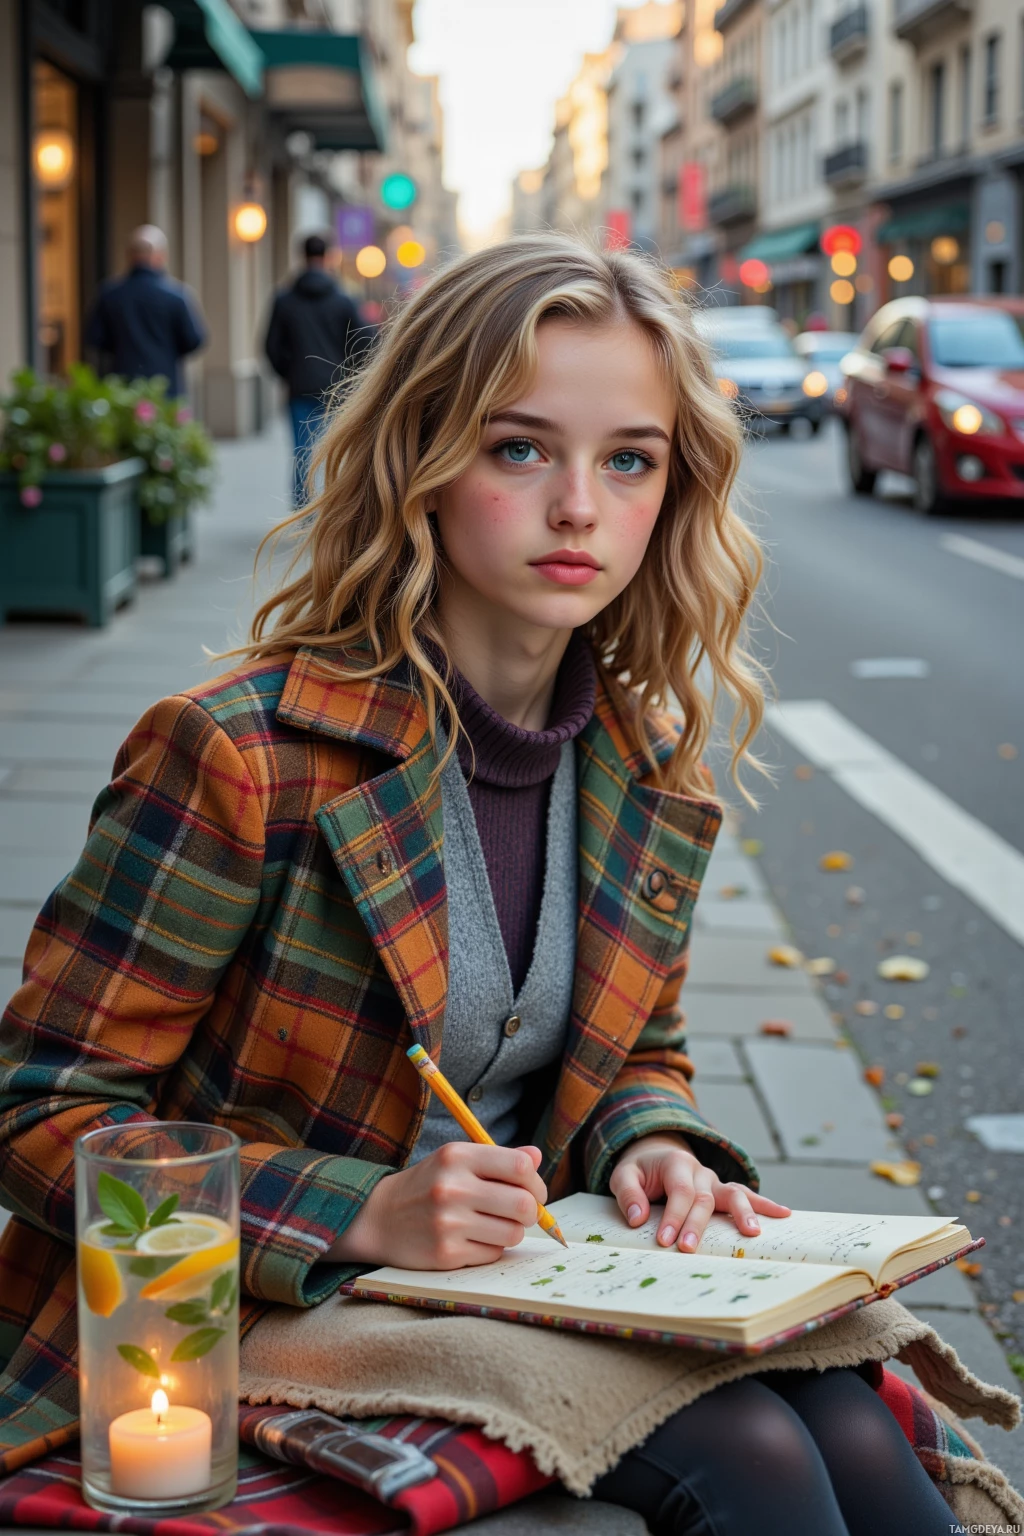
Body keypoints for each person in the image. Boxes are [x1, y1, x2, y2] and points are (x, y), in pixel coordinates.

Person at [0, 236, 968, 1533]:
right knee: (762, 1457)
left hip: (532, 1284)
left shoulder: (642, 764)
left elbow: (640, 1053)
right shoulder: (241, 755)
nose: (580, 506)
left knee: (852, 1417)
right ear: (425, 462)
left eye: (628, 458)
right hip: (252, 1309)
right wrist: (364, 1212)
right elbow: (46, 1115)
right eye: (520, 448)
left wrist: (657, 1145)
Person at [264, 232, 366, 506]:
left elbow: (270, 346)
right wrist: (350, 374)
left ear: (302, 256)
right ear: (328, 257)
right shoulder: (344, 300)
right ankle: (333, 505)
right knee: (334, 450)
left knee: (302, 449)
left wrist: (289, 372)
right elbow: (363, 342)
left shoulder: (284, 300)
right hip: (335, 388)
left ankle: (303, 509)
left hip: (299, 387)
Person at [84, 225, 205, 398]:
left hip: (122, 386)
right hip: (165, 386)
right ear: (161, 256)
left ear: (129, 255)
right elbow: (194, 340)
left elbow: (94, 338)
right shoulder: (176, 296)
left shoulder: (110, 295)